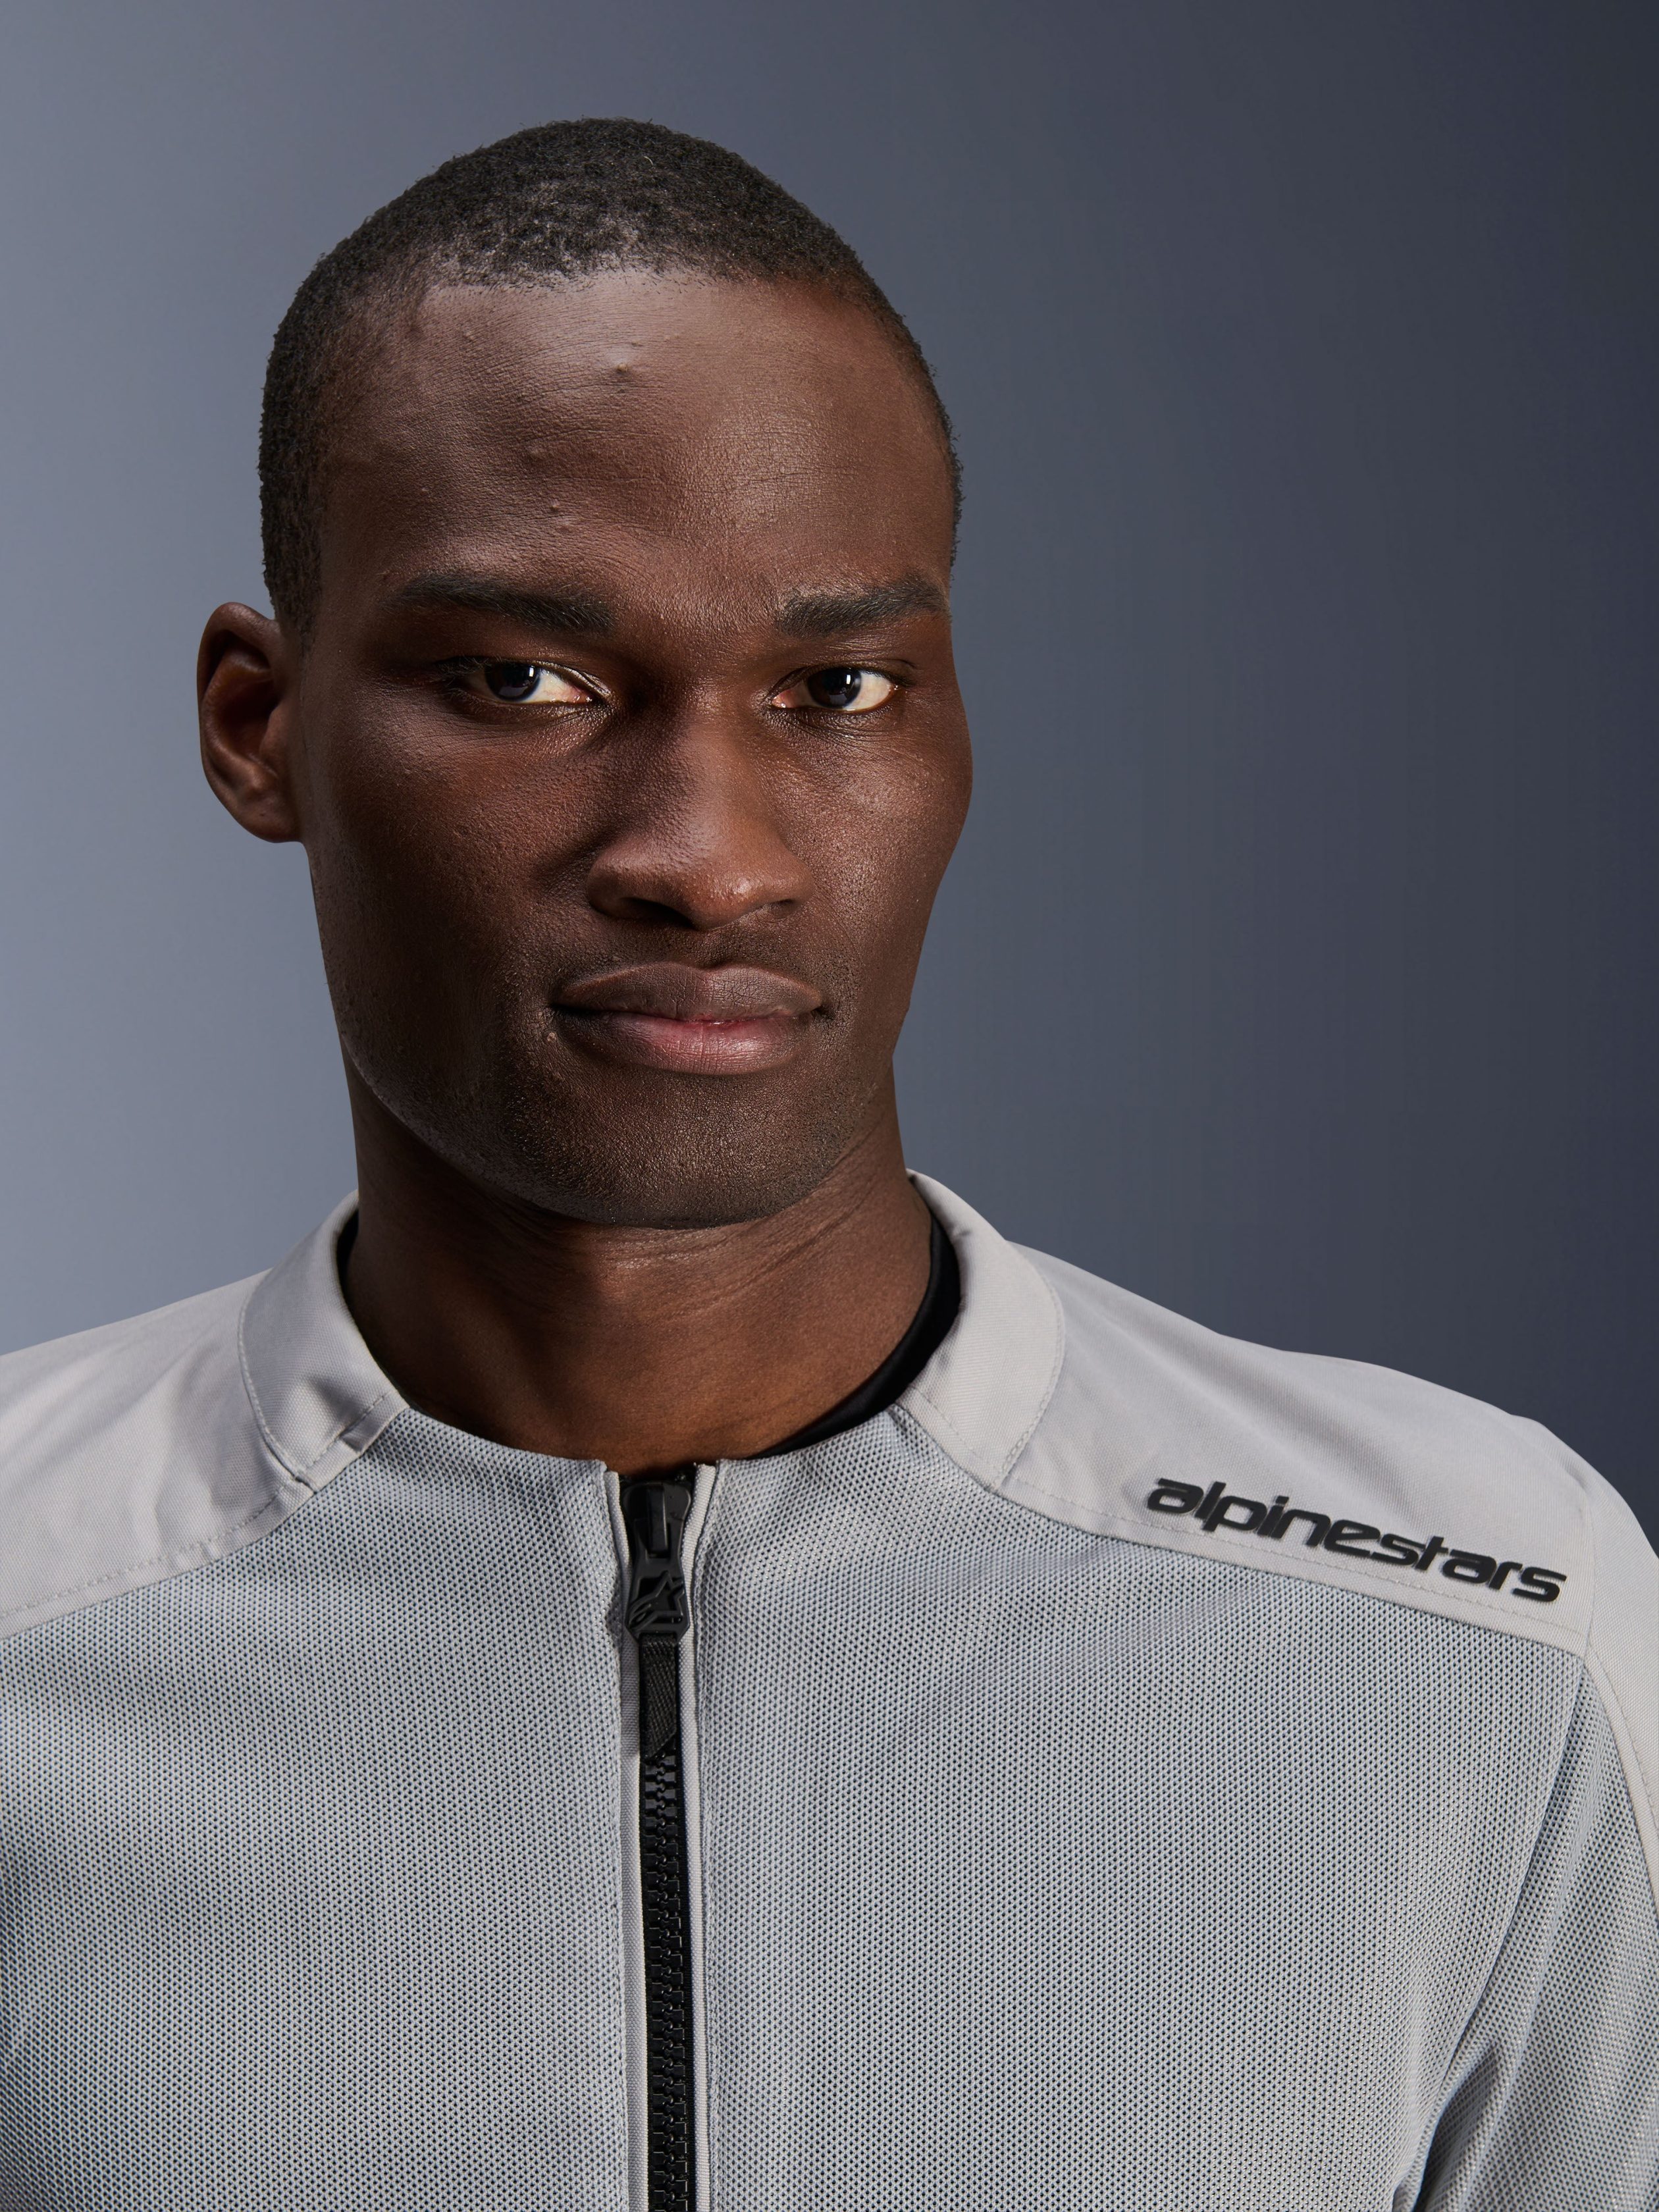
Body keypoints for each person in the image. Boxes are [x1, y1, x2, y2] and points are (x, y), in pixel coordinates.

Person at [0, 118, 1653, 2212]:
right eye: (525, 680)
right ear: (261, 725)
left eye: (836, 688)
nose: (709, 856)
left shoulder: (1483, 1621)